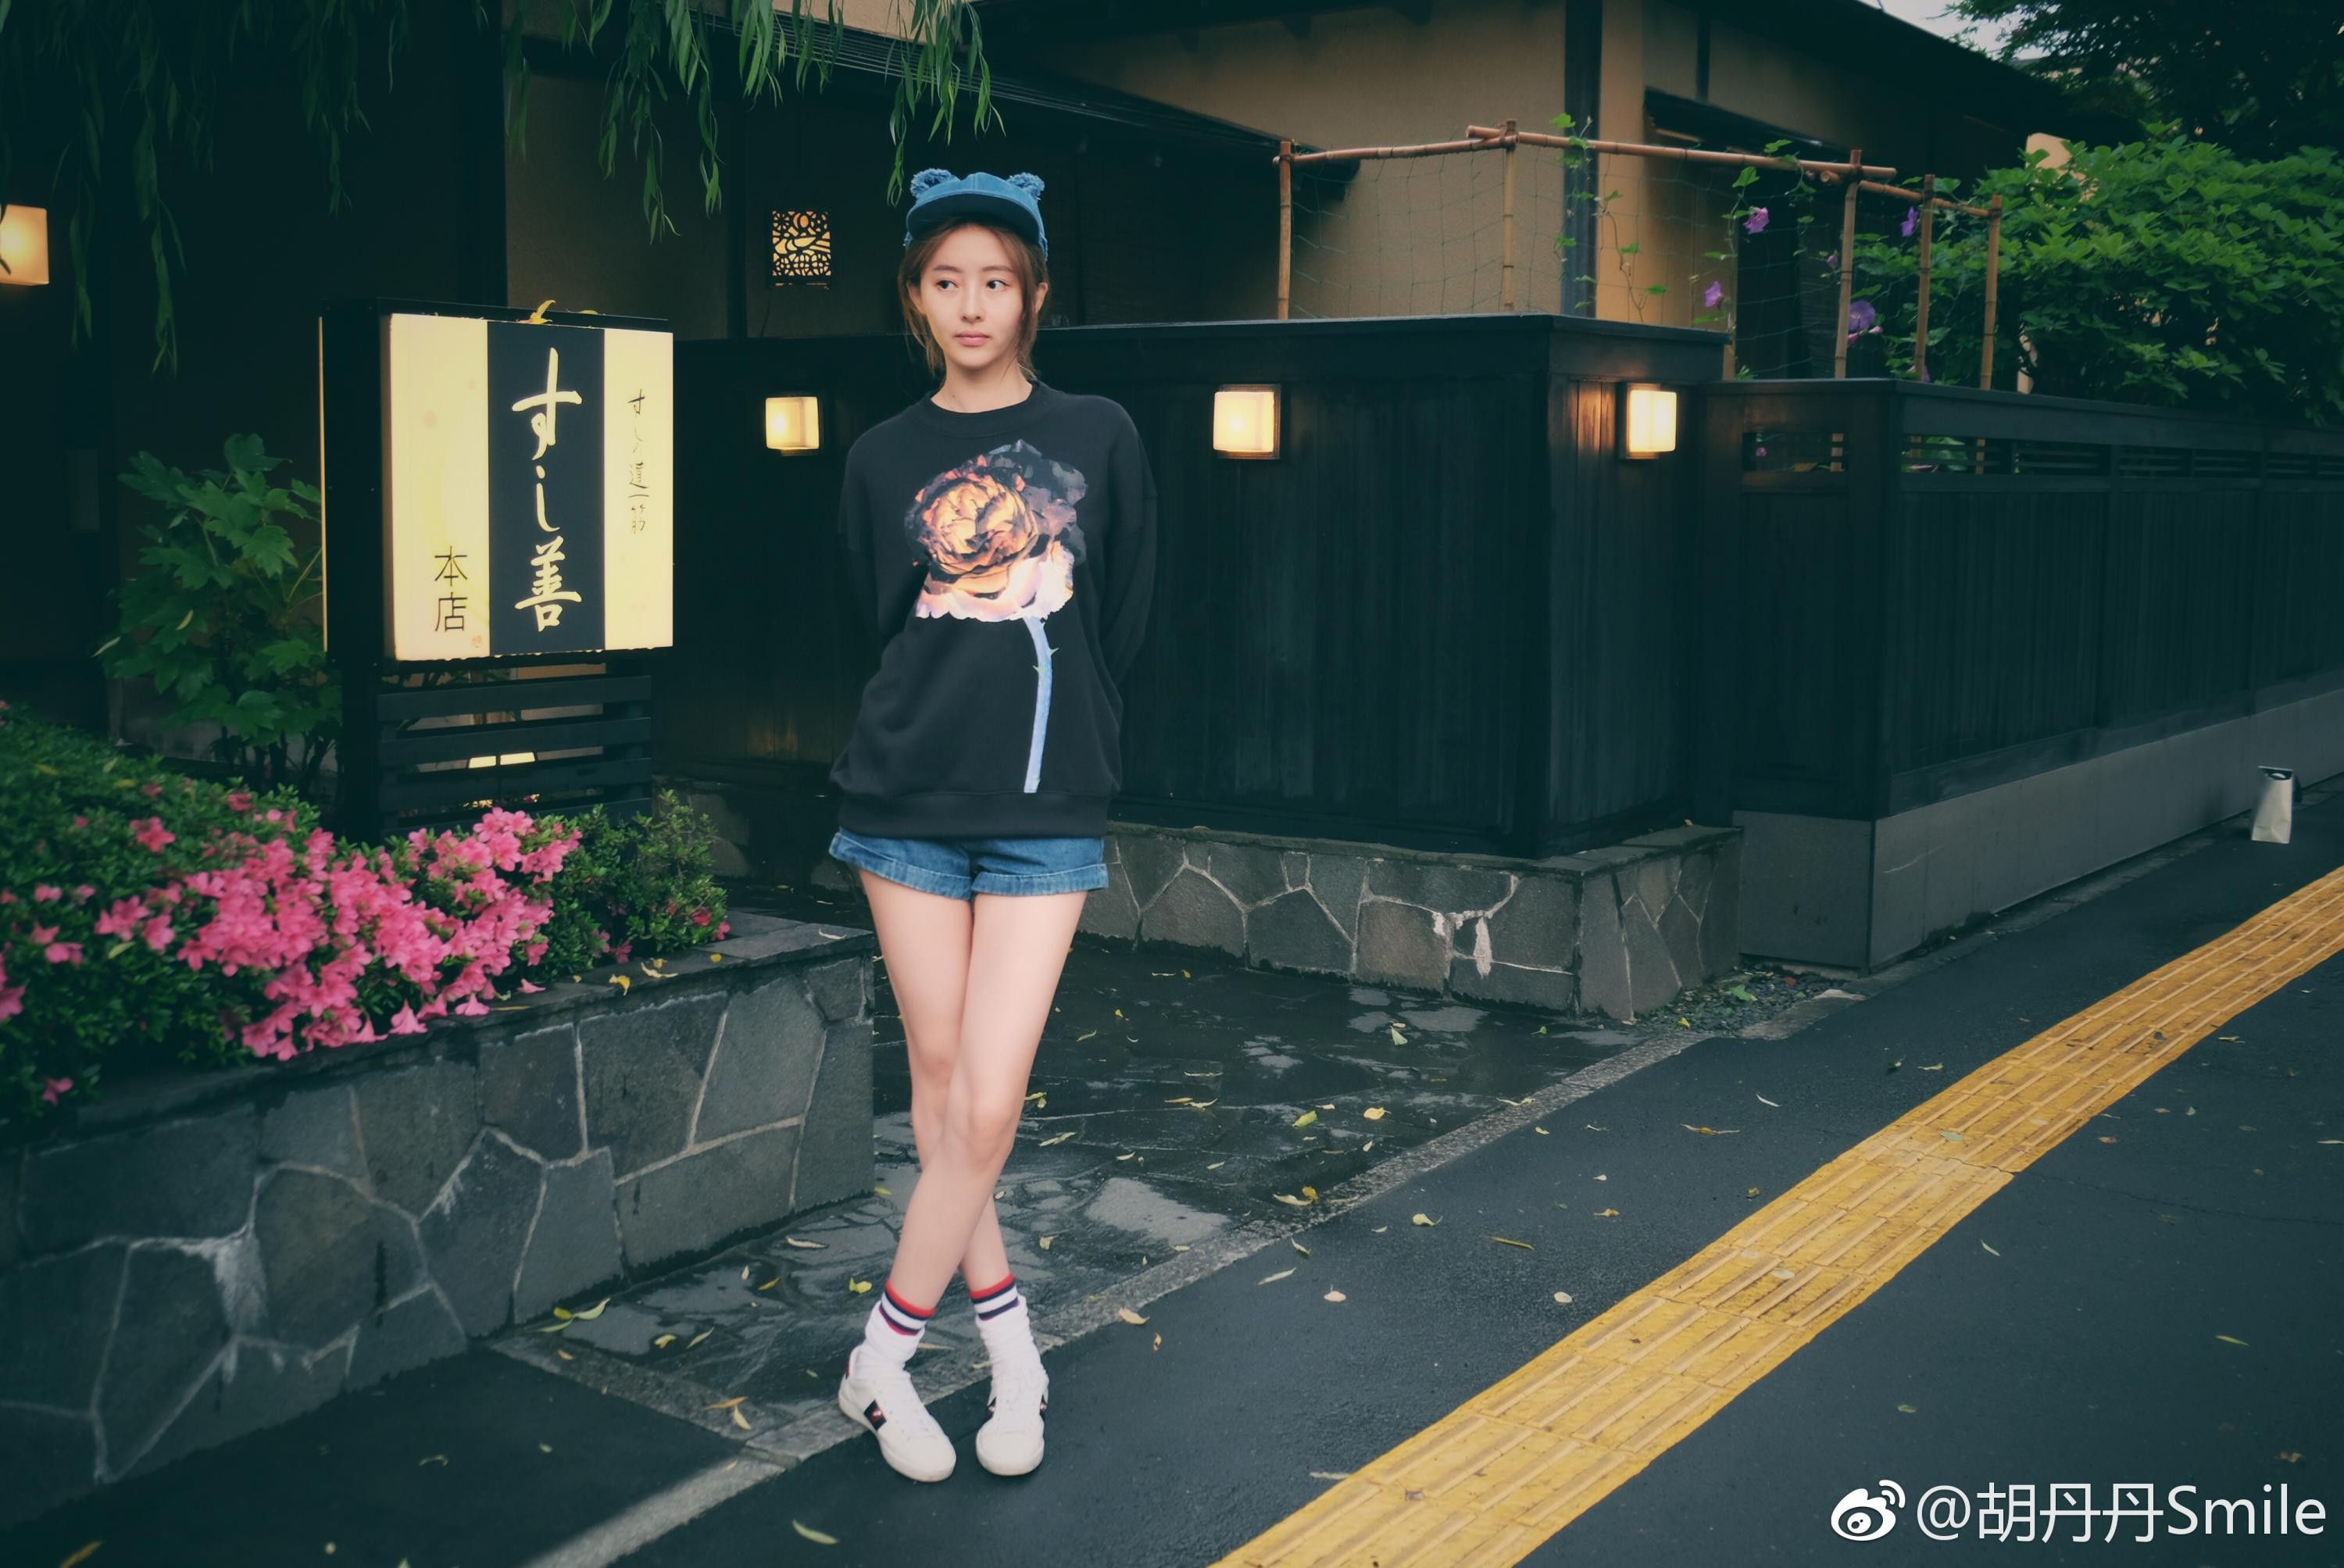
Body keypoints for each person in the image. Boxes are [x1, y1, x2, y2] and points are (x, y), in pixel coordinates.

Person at [825, 167, 1159, 1483]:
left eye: (997, 282)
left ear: (1034, 295)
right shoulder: (878, 456)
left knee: (991, 1096)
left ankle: (882, 1356)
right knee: (942, 1090)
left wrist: (1066, 727)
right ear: (916, 298)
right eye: (946, 282)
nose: (973, 305)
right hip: (903, 801)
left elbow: (1123, 619)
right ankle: (1014, 1351)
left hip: (1045, 807)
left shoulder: (1099, 433)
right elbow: (872, 623)